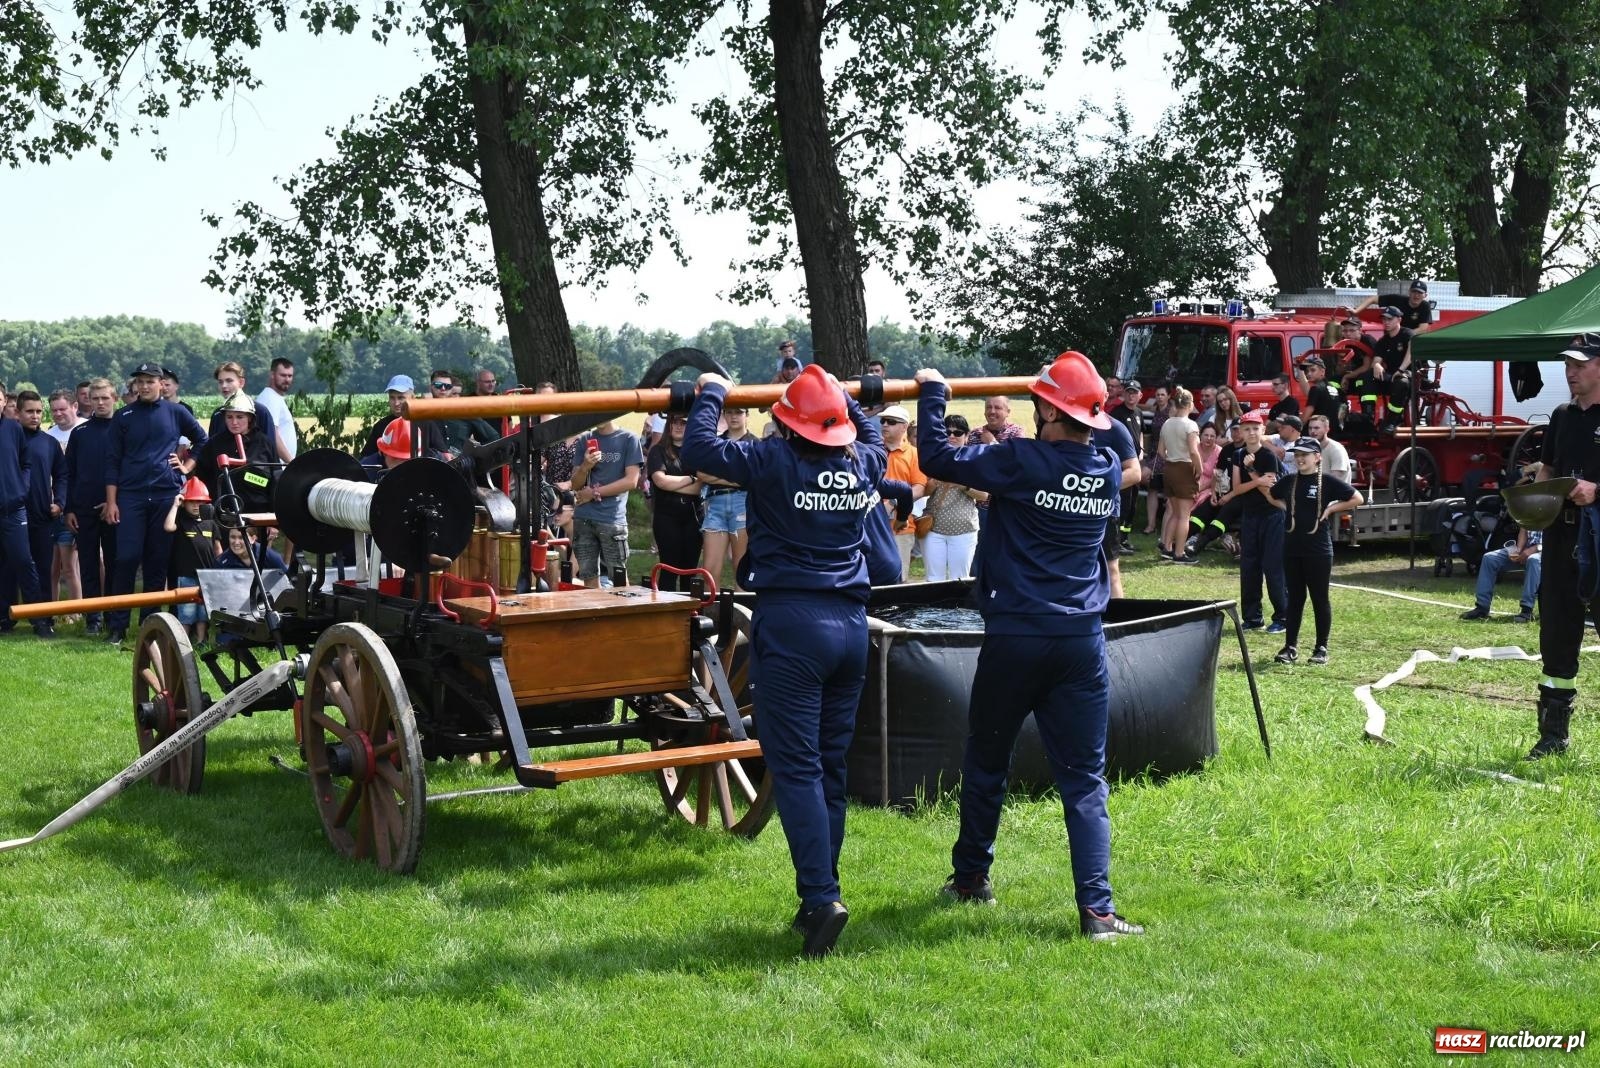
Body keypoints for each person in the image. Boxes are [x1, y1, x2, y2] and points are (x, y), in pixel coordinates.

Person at [915, 353, 1141, 940]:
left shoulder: (1021, 460)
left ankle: (971, 878)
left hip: (1016, 637)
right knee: (1085, 780)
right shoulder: (1104, 467)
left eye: (1040, 403)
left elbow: (934, 458)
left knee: (988, 760)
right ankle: (1098, 913)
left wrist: (934, 393)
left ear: (1049, 412)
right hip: (1080, 643)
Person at [681, 364, 886, 958]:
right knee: (830, 768)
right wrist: (846, 396)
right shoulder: (865, 462)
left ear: (790, 426)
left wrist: (712, 391)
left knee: (796, 768)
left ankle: (821, 900)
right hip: (851, 627)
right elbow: (868, 432)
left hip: (794, 625)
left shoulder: (772, 460)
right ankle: (819, 895)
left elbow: (699, 449)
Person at [1526, 338, 1600, 758]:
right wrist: (1533, 510)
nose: (1570, 372)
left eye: (1580, 365)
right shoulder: (1561, 415)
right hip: (1561, 537)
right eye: (1567, 365)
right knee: (1556, 633)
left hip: (1599, 538)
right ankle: (1553, 736)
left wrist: (1597, 491)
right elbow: (1549, 469)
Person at [104, 362, 208, 646]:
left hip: (164, 495)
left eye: (150, 381)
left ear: (161, 384)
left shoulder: (176, 412)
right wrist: (111, 501)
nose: (145, 386)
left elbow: (202, 440)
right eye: (140, 381)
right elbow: (112, 461)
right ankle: (117, 627)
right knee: (126, 559)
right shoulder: (123, 416)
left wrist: (186, 467)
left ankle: (149, 626)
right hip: (131, 496)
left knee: (157, 562)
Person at [1268, 437, 1362, 665]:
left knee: (1319, 598)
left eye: (1305, 455)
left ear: (1317, 457)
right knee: (1295, 598)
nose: (1300, 459)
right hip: (1292, 548)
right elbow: (1271, 494)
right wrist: (1287, 508)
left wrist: (1331, 509)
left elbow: (1356, 498)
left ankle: (1321, 648)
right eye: (1297, 455)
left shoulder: (1326, 481)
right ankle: (1290, 647)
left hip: (1318, 549)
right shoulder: (1289, 480)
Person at [0, 394, 56, 639]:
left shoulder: (13, 429)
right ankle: (3, 618)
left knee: (24, 562)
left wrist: (21, 489)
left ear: (4, 402)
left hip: (13, 510)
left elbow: (26, 463)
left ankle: (39, 619)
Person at [66, 378, 118, 635]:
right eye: (94, 398)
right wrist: (69, 509)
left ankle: (113, 616)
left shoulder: (123, 429)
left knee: (114, 563)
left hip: (115, 508)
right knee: (88, 564)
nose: (99, 403)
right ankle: (93, 619)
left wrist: (114, 501)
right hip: (83, 508)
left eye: (104, 398)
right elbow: (69, 473)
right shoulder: (80, 433)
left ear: (114, 399)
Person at [570, 416, 643, 588]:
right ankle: (596, 607)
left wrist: (593, 493)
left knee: (618, 577)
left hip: (612, 519)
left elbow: (631, 481)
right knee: (588, 576)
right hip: (584, 517)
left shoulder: (629, 439)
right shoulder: (585, 439)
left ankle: (623, 607)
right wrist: (585, 466)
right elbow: (575, 484)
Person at [13, 392, 67, 624]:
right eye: (29, 411)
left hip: (42, 515)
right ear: (18, 413)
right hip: (11, 515)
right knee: (10, 568)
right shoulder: (8, 441)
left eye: (38, 411)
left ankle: (44, 618)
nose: (35, 416)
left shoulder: (49, 443)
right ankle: (7, 618)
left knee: (44, 568)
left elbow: (62, 475)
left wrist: (60, 502)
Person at [1233, 410, 1287, 633]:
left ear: (1263, 430)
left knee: (1273, 566)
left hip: (1272, 515)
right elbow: (1237, 489)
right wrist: (1256, 480)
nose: (1252, 433)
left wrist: (1251, 471)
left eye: (1256, 428)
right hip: (1250, 516)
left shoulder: (1268, 456)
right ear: (1240, 432)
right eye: (1247, 429)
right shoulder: (1238, 454)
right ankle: (1253, 618)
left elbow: (1270, 490)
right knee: (1249, 567)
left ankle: (1282, 618)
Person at [192, 391, 279, 519]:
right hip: (223, 514)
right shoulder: (215, 444)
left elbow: (276, 481)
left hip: (259, 515)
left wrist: (273, 517)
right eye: (229, 417)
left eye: (239, 417)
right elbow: (202, 478)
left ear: (250, 418)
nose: (234, 422)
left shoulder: (264, 443)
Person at [920, 414, 986, 581]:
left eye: (957, 433)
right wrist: (936, 479)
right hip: (933, 528)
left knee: (960, 580)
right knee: (933, 580)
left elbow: (984, 495)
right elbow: (924, 491)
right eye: (947, 432)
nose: (951, 436)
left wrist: (962, 485)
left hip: (964, 530)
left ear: (967, 435)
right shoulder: (934, 459)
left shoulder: (974, 460)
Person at [645, 413, 704, 591]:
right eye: (674, 422)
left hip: (693, 517)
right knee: (668, 568)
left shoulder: (696, 451)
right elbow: (660, 481)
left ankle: (690, 607)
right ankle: (666, 607)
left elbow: (701, 487)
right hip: (666, 517)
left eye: (683, 423)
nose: (678, 426)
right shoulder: (657, 451)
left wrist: (672, 484)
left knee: (690, 570)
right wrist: (691, 479)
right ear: (668, 425)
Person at [699, 405, 754, 587]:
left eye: (738, 412)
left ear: (747, 414)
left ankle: (741, 605)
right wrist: (739, 477)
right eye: (729, 412)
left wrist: (720, 476)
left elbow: (756, 476)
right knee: (709, 569)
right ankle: (710, 604)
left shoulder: (755, 444)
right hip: (715, 502)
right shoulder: (716, 443)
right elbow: (701, 474)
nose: (733, 416)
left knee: (741, 566)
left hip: (743, 503)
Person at [164, 477, 217, 645]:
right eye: (192, 502)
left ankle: (201, 641)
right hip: (187, 575)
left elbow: (218, 548)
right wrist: (175, 505)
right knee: (186, 613)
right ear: (184, 503)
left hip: (207, 576)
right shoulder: (182, 522)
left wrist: (219, 569)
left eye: (200, 502)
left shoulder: (210, 522)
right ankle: (183, 643)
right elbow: (168, 527)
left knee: (203, 613)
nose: (196, 506)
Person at [878, 405, 927, 576]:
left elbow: (919, 489)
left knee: (899, 578)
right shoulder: (872, 450)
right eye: (883, 421)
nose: (885, 424)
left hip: (901, 527)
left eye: (891, 422)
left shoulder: (914, 454)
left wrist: (893, 503)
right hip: (873, 526)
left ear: (904, 427)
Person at [1158, 386, 1202, 563]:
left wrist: (1172, 458)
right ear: (1190, 405)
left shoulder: (1167, 423)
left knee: (1174, 512)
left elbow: (1161, 451)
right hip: (1185, 468)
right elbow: (1193, 451)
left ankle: (1167, 548)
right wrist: (1199, 469)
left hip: (1169, 467)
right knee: (1184, 515)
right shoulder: (1191, 425)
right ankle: (1179, 553)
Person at [1461, 528, 1541, 624]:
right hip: (1526, 549)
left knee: (1533, 560)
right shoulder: (1528, 517)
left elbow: (1556, 540)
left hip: (1547, 551)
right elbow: (1523, 530)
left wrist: (1535, 549)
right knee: (1489, 558)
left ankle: (1526, 611)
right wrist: (1518, 550)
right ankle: (1482, 608)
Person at [208, 362, 282, 461]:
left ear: (241, 382)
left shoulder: (260, 411)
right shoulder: (217, 414)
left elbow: (270, 449)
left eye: (229, 381)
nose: (224, 386)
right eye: (220, 382)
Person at [427, 370, 499, 460]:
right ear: (430, 387)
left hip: (457, 466)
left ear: (451, 389)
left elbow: (493, 437)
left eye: (447, 386)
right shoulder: (421, 411)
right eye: (438, 385)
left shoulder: (464, 412)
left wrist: (475, 460)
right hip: (427, 464)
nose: (443, 388)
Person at [1371, 306, 1415, 429]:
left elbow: (1411, 353)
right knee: (1367, 376)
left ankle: (1393, 421)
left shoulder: (1408, 334)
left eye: (1389, 319)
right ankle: (1367, 417)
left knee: (1401, 382)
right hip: (1391, 376)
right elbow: (1376, 360)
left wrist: (1400, 370)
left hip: (1409, 375)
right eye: (1384, 319)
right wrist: (1377, 365)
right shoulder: (1383, 341)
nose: (1386, 322)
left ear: (1399, 320)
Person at [255, 357, 298, 461]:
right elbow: (273, 434)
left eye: (290, 376)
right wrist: (291, 463)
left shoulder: (275, 397)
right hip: (278, 465)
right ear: (272, 375)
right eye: (283, 375)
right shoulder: (270, 398)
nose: (287, 379)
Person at [1353, 280, 1433, 333]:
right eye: (1414, 292)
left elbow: (1423, 328)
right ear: (1409, 292)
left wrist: (1405, 335)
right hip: (1392, 337)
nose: (1416, 295)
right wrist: (1356, 311)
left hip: (1412, 339)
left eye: (1420, 293)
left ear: (1425, 295)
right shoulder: (1397, 299)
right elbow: (1373, 299)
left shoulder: (1425, 306)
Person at [1306, 414, 1350, 484]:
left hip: (1335, 490)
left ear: (1327, 429)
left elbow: (1335, 480)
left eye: (1316, 428)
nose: (1312, 431)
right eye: (1310, 428)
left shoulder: (1336, 450)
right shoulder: (1310, 448)